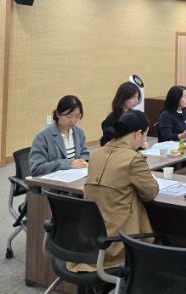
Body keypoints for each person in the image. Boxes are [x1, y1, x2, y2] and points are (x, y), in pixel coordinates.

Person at [68, 110, 158, 273]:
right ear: (138, 134)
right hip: (118, 243)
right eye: (145, 135)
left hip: (88, 240)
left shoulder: (95, 154)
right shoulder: (133, 159)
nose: (144, 140)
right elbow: (150, 193)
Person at [29, 95, 90, 176]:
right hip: (53, 181)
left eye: (77, 116)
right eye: (69, 116)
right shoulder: (43, 137)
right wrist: (68, 164)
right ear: (58, 114)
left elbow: (85, 152)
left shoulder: (79, 132)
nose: (73, 121)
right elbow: (36, 168)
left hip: (76, 177)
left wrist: (83, 161)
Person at [100, 81, 142, 146]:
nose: (136, 101)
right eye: (133, 97)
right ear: (124, 97)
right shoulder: (111, 119)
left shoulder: (133, 116)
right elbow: (109, 144)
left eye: (137, 97)